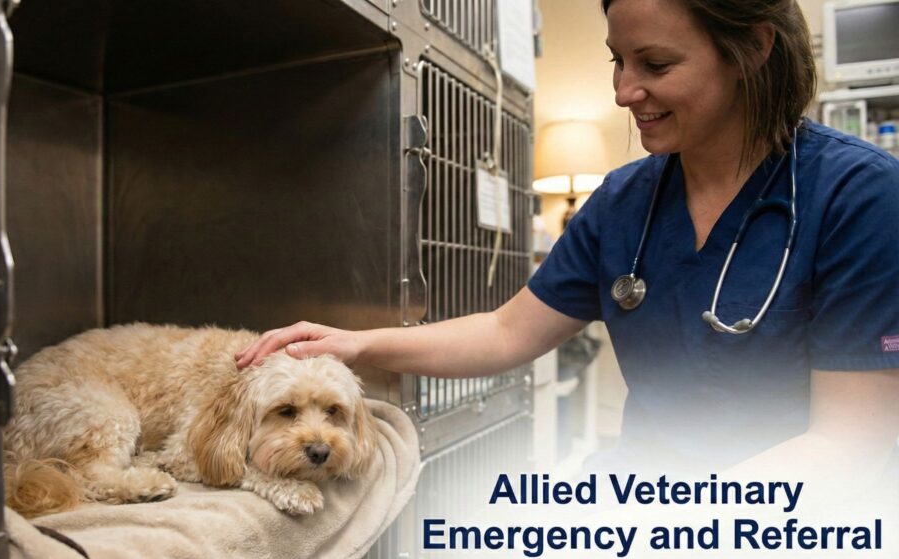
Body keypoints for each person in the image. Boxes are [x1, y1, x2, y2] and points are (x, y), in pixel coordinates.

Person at [236, 0, 899, 480]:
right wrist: (359, 341)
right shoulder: (625, 202)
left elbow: (849, 441)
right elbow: (506, 331)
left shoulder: (858, 197)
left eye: (656, 63)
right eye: (617, 61)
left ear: (753, 48)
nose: (623, 91)